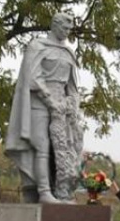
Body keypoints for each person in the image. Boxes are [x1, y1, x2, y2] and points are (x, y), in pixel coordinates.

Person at [5, 12, 82, 204]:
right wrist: (50, 101)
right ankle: (44, 191)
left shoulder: (68, 52)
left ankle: (62, 191)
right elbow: (32, 77)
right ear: (54, 25)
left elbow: (72, 86)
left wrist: (72, 104)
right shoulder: (37, 46)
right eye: (65, 27)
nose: (67, 31)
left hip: (62, 106)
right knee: (42, 146)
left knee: (64, 149)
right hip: (38, 102)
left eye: (70, 29)